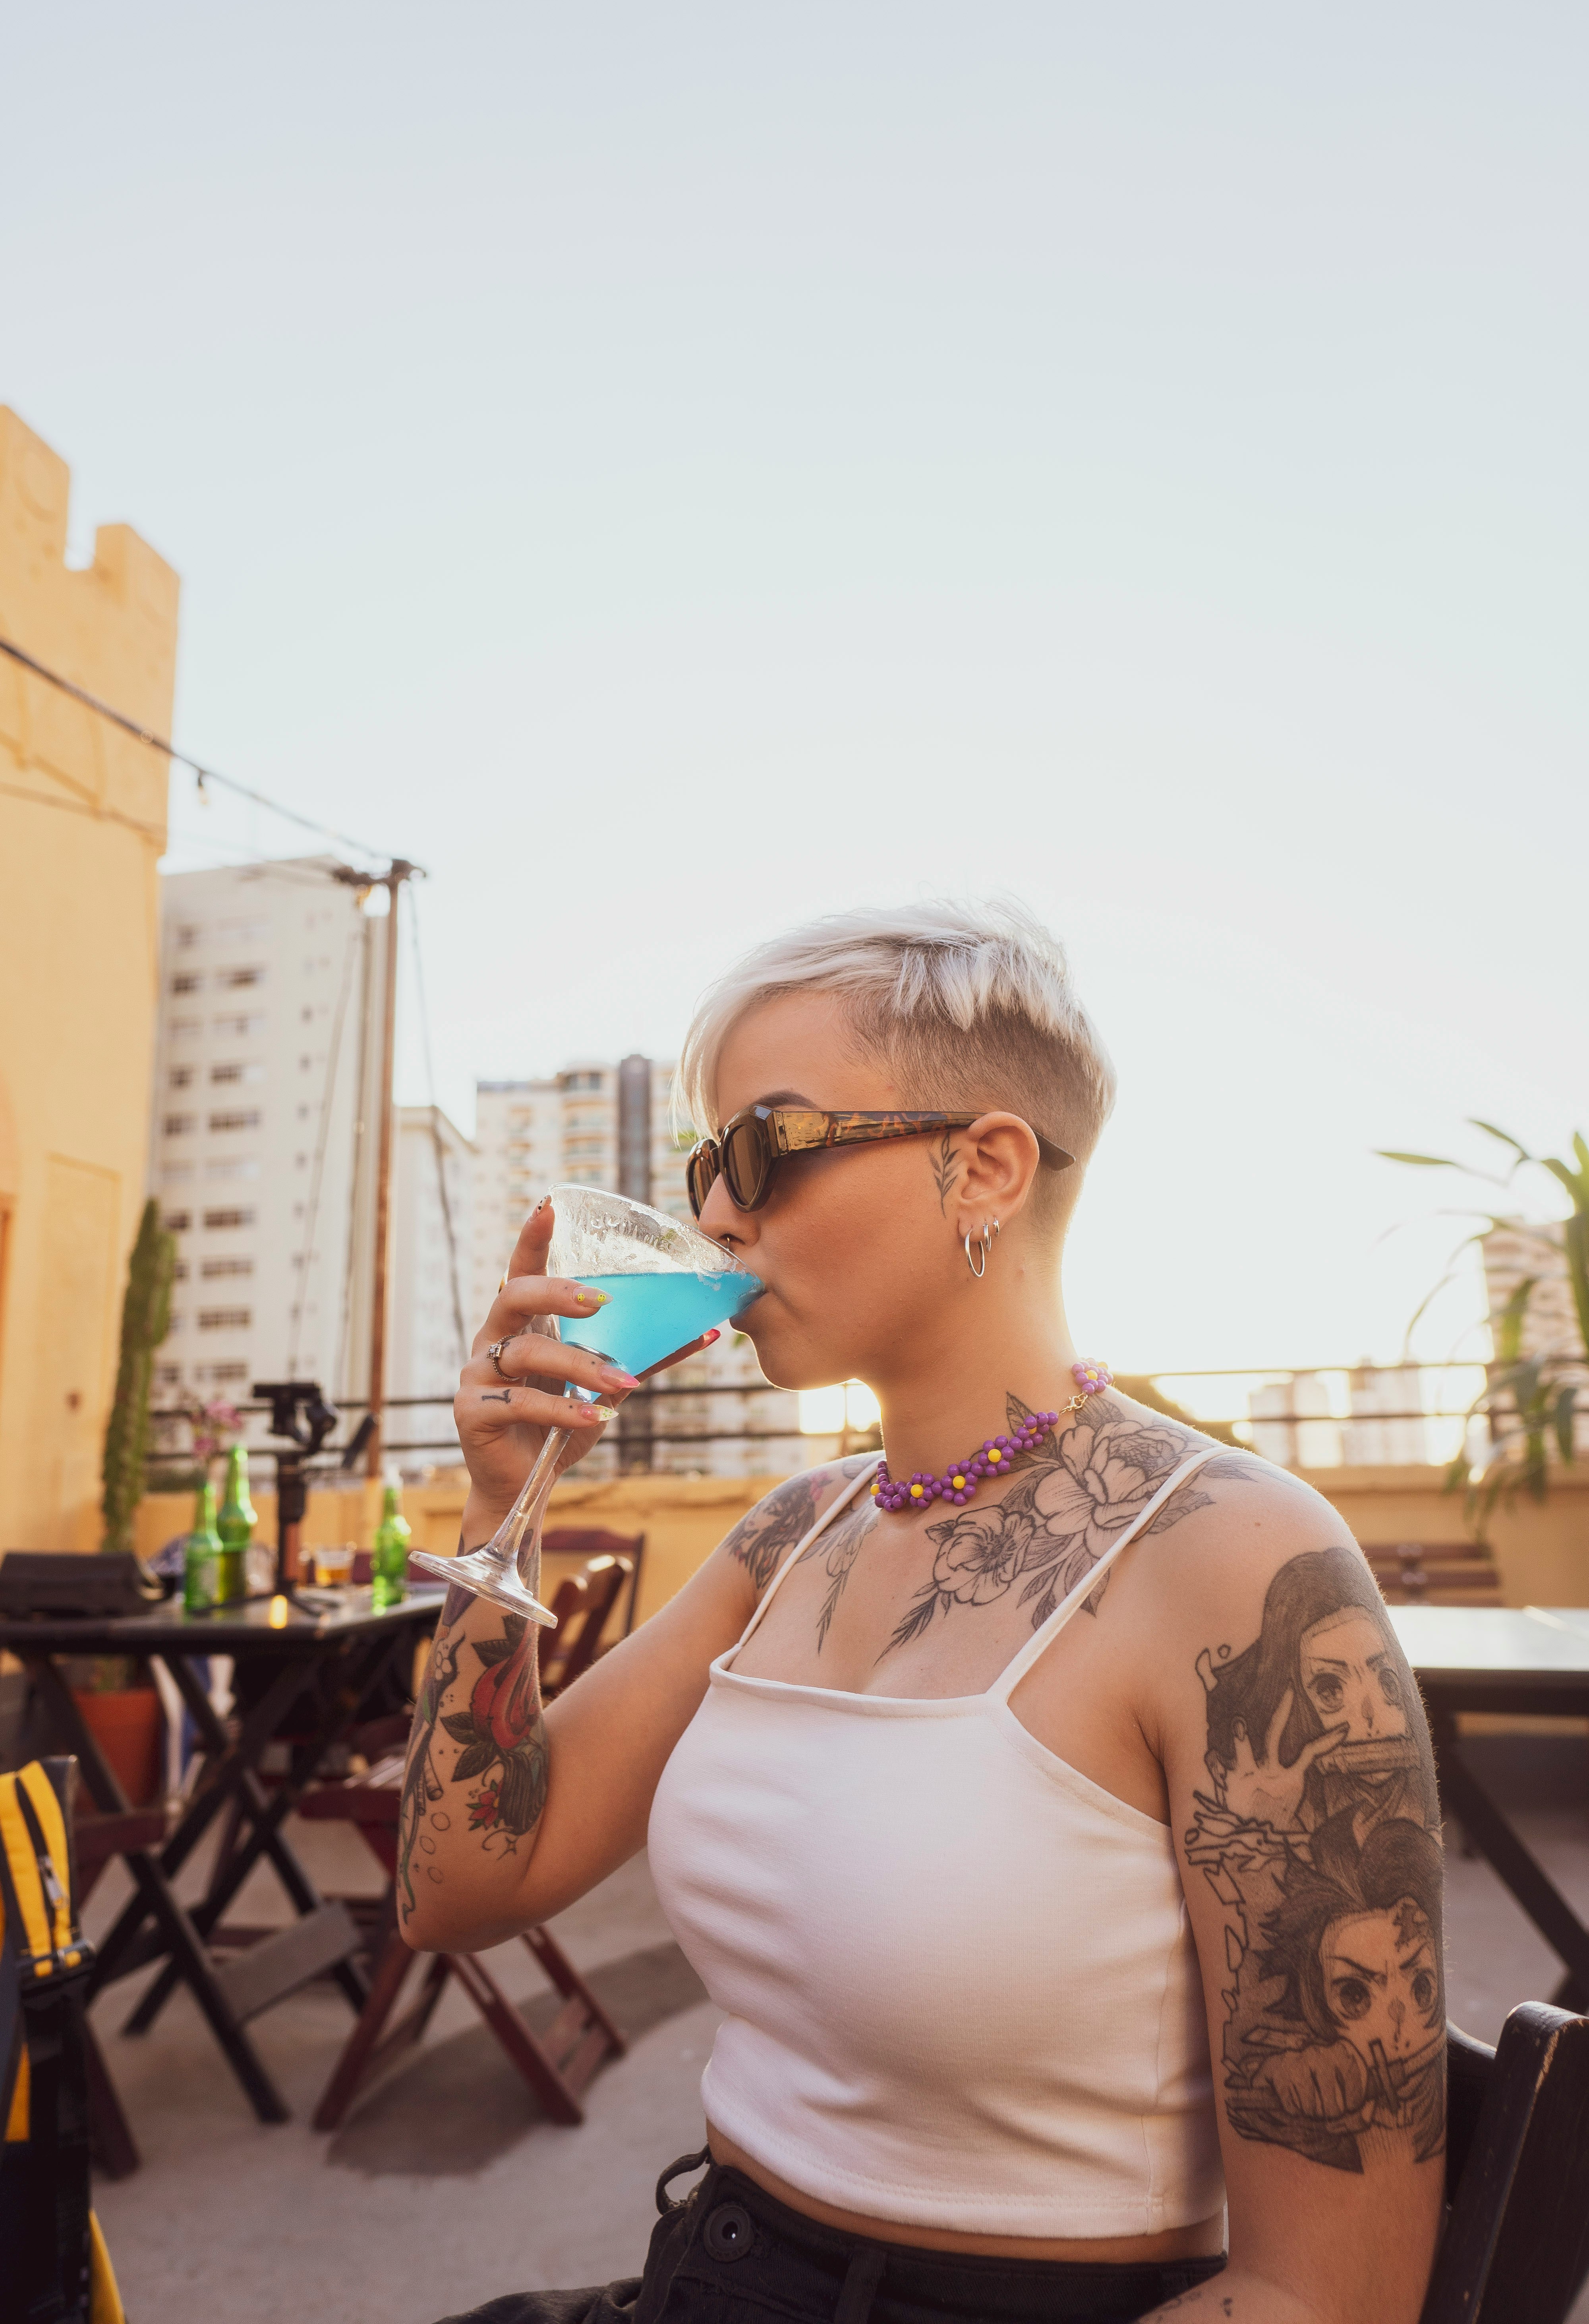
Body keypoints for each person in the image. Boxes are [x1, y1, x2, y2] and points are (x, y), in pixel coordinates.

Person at [404, 898, 1445, 2324]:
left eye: (764, 1148)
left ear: (986, 1166)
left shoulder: (1233, 1559)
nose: (713, 1214)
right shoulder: (789, 1535)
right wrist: (502, 1509)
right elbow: (463, 1890)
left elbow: (1331, 2299)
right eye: (710, 1162)